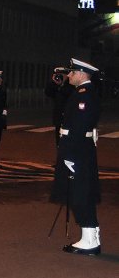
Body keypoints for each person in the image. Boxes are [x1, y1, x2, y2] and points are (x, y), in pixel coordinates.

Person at [50, 59, 101, 256]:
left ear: (81, 74)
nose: (69, 76)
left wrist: (70, 156)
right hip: (80, 150)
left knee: (80, 194)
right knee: (82, 192)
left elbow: (78, 128)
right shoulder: (82, 93)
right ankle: (91, 236)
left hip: (77, 151)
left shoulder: (84, 95)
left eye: (72, 73)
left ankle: (90, 241)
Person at [44, 67, 72, 146]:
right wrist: (52, 82)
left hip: (68, 115)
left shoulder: (71, 84)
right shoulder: (55, 85)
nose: (59, 76)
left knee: (67, 138)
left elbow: (68, 93)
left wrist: (61, 85)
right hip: (59, 115)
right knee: (58, 138)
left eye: (61, 74)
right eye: (57, 74)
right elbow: (48, 92)